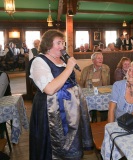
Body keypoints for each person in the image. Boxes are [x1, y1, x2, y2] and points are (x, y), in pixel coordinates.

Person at [29, 29, 93, 159]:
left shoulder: (62, 60)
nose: (62, 47)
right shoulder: (39, 61)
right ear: (48, 45)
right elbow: (49, 89)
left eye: (63, 43)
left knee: (70, 142)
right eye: (58, 43)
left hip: (70, 112)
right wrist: (69, 68)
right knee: (51, 147)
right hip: (50, 112)